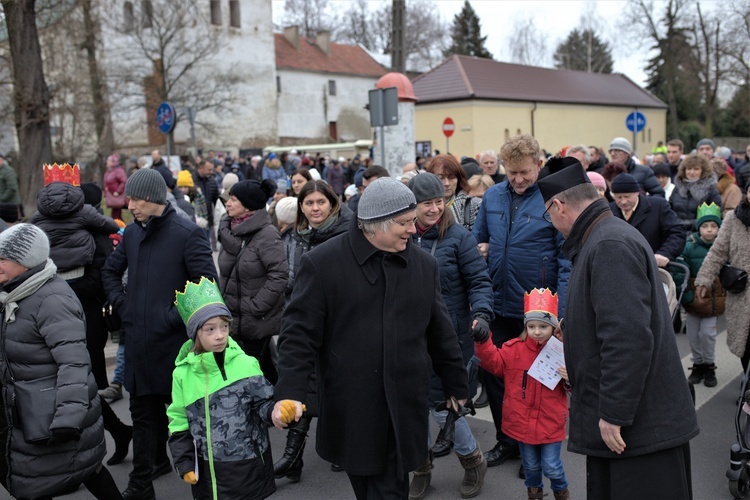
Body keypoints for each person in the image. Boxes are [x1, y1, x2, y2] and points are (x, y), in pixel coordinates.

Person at [271, 177, 469, 499]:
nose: (413, 230)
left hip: (403, 405)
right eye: (404, 223)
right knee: (366, 485)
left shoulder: (424, 265)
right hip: (352, 407)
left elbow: (440, 331)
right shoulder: (323, 264)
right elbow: (299, 335)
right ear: (373, 226)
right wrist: (289, 391)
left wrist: (456, 386)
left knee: (389, 489)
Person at [536, 166, 699, 499]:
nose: (551, 223)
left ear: (559, 206)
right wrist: (573, 329)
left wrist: (613, 413)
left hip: (638, 431)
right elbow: (612, 314)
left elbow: (628, 339)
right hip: (638, 426)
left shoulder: (607, 243)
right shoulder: (604, 234)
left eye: (548, 214)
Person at [101, 168, 217, 500]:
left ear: (153, 198)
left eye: (135, 199)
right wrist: (124, 306)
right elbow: (111, 270)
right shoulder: (133, 234)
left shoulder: (187, 233)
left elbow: (206, 288)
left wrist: (168, 318)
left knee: (189, 422)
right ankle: (141, 485)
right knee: (142, 418)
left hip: (174, 350)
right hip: (138, 344)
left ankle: (205, 487)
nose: (129, 205)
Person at [0, 224, 123, 500]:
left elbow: (75, 363)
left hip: (51, 416)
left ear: (27, 261)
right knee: (69, 472)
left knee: (68, 473)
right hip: (27, 413)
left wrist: (68, 418)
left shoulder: (51, 300)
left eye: (3, 258)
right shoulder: (11, 293)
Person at [472, 135, 570, 471]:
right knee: (497, 376)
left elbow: (565, 258)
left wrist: (563, 312)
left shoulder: (551, 199)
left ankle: (536, 446)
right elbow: (477, 241)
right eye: (511, 172)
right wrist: (481, 250)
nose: (517, 179)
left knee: (538, 381)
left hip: (538, 310)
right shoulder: (493, 195)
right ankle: (507, 440)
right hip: (497, 302)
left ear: (538, 166)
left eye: (524, 172)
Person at [406, 172, 493, 499]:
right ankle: (421, 467)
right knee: (411, 407)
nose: (434, 209)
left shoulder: (458, 237)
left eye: (439, 202)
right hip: (410, 339)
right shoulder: (402, 237)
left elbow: (480, 283)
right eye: (426, 203)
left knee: (445, 407)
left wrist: (481, 314)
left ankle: (472, 460)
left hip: (449, 338)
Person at [167, 277, 291, 500]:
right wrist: (184, 462)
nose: (220, 335)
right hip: (205, 476)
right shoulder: (182, 374)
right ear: (196, 333)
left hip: (248, 470)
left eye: (224, 326)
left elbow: (264, 403)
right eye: (210, 329)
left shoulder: (245, 364)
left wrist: (277, 412)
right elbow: (178, 421)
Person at [274, 180, 353, 482]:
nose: (315, 208)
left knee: (339, 387)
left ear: (332, 203)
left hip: (338, 322)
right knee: (302, 385)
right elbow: (289, 277)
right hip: (305, 319)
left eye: (321, 202)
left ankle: (344, 445)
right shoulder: (295, 236)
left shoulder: (346, 234)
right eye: (309, 203)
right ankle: (292, 457)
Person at [472, 288, 570, 500]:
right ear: (525, 326)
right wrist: (483, 341)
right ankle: (534, 495)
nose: (537, 331)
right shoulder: (513, 349)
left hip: (550, 421)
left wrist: (569, 378)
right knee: (532, 466)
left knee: (552, 467)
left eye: (543, 326)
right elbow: (494, 363)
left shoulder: (562, 352)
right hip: (522, 421)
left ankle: (561, 492)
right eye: (532, 326)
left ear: (552, 327)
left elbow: (575, 385)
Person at [218, 179, 288, 383]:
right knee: (262, 369)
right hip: (232, 319)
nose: (227, 203)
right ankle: (281, 405)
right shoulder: (229, 231)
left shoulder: (266, 235)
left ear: (248, 205)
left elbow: (280, 275)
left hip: (255, 321)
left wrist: (255, 307)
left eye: (233, 199)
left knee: (245, 376)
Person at [693, 183, 750, 370]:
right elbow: (718, 251)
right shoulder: (733, 219)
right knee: (746, 346)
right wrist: (704, 279)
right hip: (741, 294)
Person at [671, 202, 725, 388]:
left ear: (719, 227)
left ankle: (709, 365)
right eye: (704, 226)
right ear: (698, 227)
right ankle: (697, 364)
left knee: (708, 336)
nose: (709, 230)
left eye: (713, 226)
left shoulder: (723, 248)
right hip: (694, 301)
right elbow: (679, 273)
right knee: (693, 335)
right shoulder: (689, 246)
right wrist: (686, 296)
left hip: (713, 302)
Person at [608, 173, 686, 267]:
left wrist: (665, 253)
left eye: (627, 196)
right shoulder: (608, 212)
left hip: (653, 268)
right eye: (619, 197)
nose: (623, 201)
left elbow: (677, 232)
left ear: (637, 192)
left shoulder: (658, 206)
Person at [426, 154, 482, 232]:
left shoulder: (474, 205)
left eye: (451, 177)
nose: (446, 183)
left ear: (459, 179)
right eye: (440, 178)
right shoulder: (422, 206)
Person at [669, 153, 722, 232]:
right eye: (689, 169)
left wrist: (690, 224)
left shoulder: (710, 190)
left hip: (700, 233)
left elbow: (717, 213)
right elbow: (669, 209)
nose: (692, 172)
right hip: (676, 230)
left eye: (696, 169)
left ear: (703, 171)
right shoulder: (678, 188)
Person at [103, 154, 128, 220]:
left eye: (108, 160)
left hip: (117, 197)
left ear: (113, 162)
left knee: (115, 216)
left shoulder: (118, 171)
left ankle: (118, 228)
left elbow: (124, 181)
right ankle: (120, 228)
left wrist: (118, 191)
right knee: (116, 216)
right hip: (112, 197)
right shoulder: (110, 171)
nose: (107, 162)